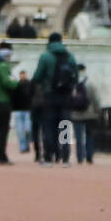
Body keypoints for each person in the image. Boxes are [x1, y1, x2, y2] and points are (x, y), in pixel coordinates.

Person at [31, 31, 78, 166]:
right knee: (65, 125)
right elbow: (76, 77)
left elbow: (37, 76)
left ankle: (48, 157)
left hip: (50, 95)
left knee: (49, 126)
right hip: (66, 96)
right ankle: (66, 157)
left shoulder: (45, 56)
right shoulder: (70, 56)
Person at [69, 63, 102, 165]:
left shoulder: (72, 84)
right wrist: (97, 111)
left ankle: (79, 157)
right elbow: (96, 99)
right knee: (89, 135)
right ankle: (89, 156)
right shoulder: (90, 83)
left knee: (78, 136)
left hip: (76, 114)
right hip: (90, 114)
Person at [11, 68, 33, 154]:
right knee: (20, 130)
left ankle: (27, 144)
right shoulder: (16, 85)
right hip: (18, 109)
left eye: (24, 74)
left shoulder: (30, 84)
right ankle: (22, 147)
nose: (23, 76)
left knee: (28, 129)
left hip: (28, 109)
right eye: (21, 74)